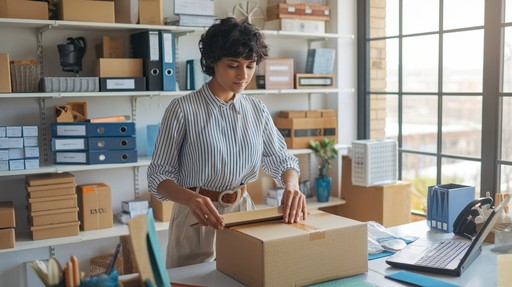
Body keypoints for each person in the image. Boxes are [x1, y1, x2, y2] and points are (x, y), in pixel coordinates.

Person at [147, 16, 307, 268]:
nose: (243, 75)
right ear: (212, 62)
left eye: (250, 66)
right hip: (195, 217)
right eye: (233, 65)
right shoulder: (182, 109)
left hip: (244, 214)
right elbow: (159, 176)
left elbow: (281, 159)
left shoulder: (257, 110)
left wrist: (292, 185)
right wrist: (190, 199)